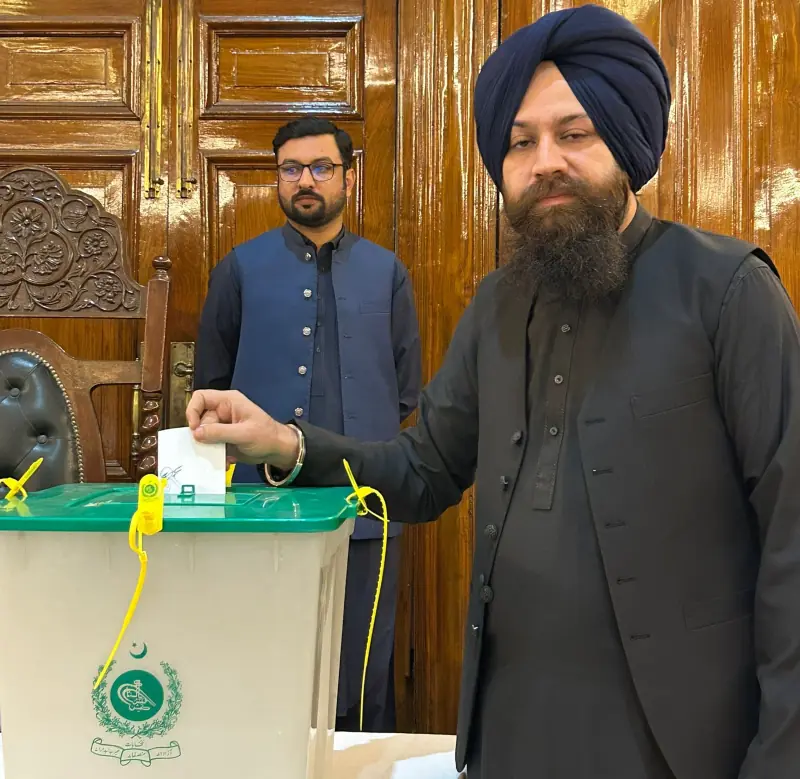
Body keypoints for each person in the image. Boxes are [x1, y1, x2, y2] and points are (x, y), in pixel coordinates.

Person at [186, 6, 800, 778]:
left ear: (628, 142)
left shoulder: (726, 290)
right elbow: (422, 470)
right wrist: (285, 442)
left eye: (573, 134)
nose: (545, 161)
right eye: (519, 141)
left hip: (679, 741)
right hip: (509, 730)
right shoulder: (498, 305)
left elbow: (793, 537)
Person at [193, 116, 422, 733]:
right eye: (291, 168)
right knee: (261, 668)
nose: (305, 181)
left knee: (363, 670)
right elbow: (210, 388)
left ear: (348, 176)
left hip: (366, 502)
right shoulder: (239, 269)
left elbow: (405, 392)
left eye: (321, 166)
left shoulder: (387, 272)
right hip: (257, 508)